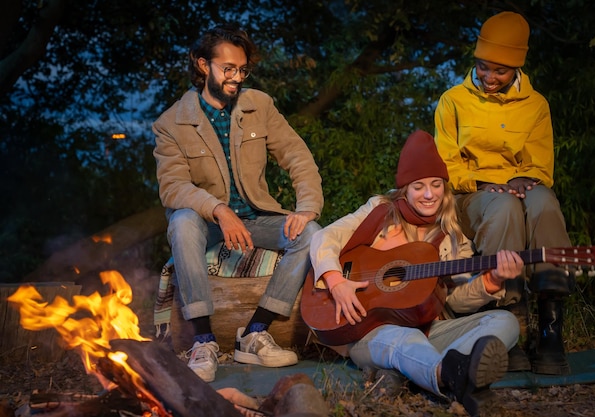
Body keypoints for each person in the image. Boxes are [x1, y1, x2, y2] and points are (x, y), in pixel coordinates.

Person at [309, 130, 523, 417]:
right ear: (405, 190)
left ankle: (426, 369)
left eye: (436, 185)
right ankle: (448, 376)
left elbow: (454, 302)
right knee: (404, 340)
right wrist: (336, 282)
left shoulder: (452, 237)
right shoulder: (379, 211)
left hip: (428, 326)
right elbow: (324, 238)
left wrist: (492, 280)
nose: (429, 194)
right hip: (368, 329)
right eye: (419, 186)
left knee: (506, 321)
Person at [152, 25, 323, 383]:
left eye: (242, 69)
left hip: (257, 217)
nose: (236, 77)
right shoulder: (171, 123)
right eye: (227, 68)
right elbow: (173, 187)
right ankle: (203, 341)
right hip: (207, 222)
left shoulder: (258, 105)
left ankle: (255, 332)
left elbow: (296, 155)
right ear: (203, 65)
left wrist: (306, 206)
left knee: (311, 233)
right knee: (181, 221)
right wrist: (219, 210)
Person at [433, 11, 573, 375]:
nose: (489, 77)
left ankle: (550, 325)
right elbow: (445, 162)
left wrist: (524, 178)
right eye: (482, 67)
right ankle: (507, 321)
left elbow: (542, 164)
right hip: (472, 194)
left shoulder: (536, 105)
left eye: (500, 71)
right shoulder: (453, 100)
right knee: (504, 208)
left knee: (544, 203)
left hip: (521, 187)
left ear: (517, 69)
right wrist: (478, 183)